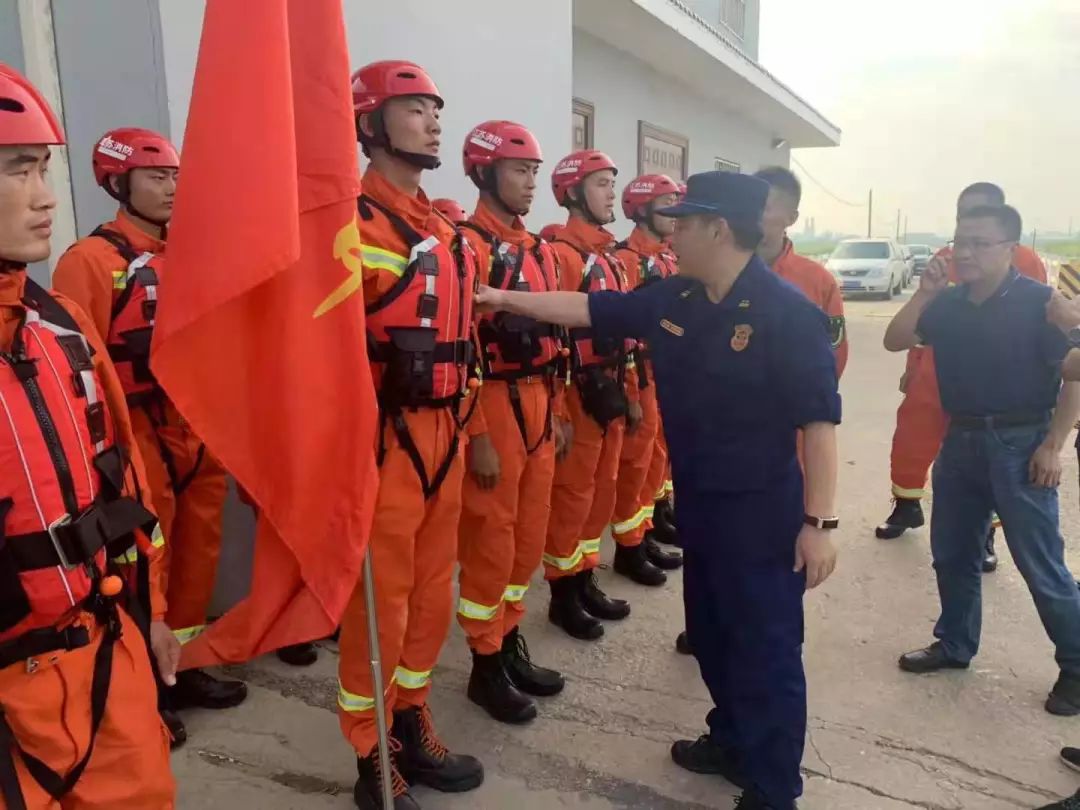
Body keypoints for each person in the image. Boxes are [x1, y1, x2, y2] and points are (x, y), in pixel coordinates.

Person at [476, 170, 842, 810]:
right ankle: (730, 738)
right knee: (712, 631)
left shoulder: (790, 316)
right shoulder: (679, 297)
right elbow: (590, 309)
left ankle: (773, 786)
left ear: (717, 229)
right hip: (700, 504)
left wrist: (820, 524)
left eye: (684, 221)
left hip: (763, 514)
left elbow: (819, 426)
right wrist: (502, 300)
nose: (671, 232)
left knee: (767, 650)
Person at [0, 62, 176, 807]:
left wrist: (155, 614)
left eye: (44, 169)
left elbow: (124, 481)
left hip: (107, 648)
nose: (45, 196)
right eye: (19, 169)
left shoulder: (59, 328)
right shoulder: (84, 279)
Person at [51, 127, 249, 741]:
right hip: (134, 430)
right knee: (143, 559)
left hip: (193, 422)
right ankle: (145, 684)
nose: (171, 188)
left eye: (174, 177)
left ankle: (183, 663)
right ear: (118, 183)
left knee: (199, 549)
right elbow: (75, 364)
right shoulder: (89, 262)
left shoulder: (186, 256)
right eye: (156, 177)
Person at [336, 60, 484, 810]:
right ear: (370, 122)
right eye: (414, 107)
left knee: (431, 592)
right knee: (380, 602)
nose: (433, 119)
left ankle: (409, 711)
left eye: (436, 106)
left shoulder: (453, 236)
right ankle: (369, 753)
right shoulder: (347, 229)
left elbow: (471, 340)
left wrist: (476, 428)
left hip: (448, 433)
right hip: (382, 444)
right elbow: (316, 360)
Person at [884, 204, 1080, 716]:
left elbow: (1073, 377)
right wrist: (924, 292)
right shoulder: (947, 304)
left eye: (979, 242)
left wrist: (1052, 445)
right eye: (959, 241)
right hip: (961, 441)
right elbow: (895, 339)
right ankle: (954, 643)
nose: (964, 252)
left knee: (1041, 565)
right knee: (953, 553)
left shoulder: (1041, 304)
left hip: (1020, 444)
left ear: (1009, 248)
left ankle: (1077, 667)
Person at [454, 120, 567, 725]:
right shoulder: (466, 247)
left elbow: (562, 336)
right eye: (519, 170)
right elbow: (461, 347)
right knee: (490, 538)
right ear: (485, 172)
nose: (530, 183)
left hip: (541, 402)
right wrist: (475, 436)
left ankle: (509, 637)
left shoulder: (539, 250)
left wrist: (562, 411)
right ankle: (483, 661)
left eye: (534, 171)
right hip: (494, 403)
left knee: (529, 532)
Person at [877, 182, 1047, 575]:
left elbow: (1045, 335)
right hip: (936, 367)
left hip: (992, 383)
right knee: (912, 438)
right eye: (960, 219)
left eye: (977, 217)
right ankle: (906, 505)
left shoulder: (1027, 263)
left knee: (988, 467)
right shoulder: (945, 259)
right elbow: (918, 319)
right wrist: (911, 368)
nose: (965, 244)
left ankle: (985, 534)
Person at [541, 149, 638, 641]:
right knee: (573, 494)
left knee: (602, 489)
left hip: (611, 391)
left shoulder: (608, 257)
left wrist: (633, 391)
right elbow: (553, 338)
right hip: (579, 393)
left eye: (611, 182)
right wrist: (556, 410)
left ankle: (585, 574)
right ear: (574, 192)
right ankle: (562, 591)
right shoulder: (560, 254)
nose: (610, 193)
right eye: (600, 183)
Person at [609, 173, 685, 586]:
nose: (674, 213)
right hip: (640, 373)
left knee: (658, 456)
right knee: (636, 462)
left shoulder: (666, 257)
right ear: (641, 210)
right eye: (666, 204)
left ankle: (650, 525)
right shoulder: (625, 260)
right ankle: (629, 545)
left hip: (666, 372)